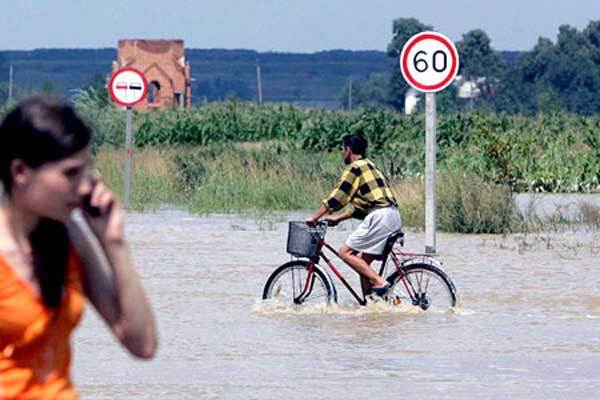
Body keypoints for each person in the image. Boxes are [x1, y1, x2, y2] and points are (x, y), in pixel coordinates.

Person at [0, 96, 157, 399]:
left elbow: (143, 344)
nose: (85, 186)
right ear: (20, 171)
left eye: (85, 172)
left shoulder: (69, 238)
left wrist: (113, 243)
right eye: (70, 173)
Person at [306, 132, 401, 298]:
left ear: (348, 150)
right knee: (363, 263)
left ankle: (380, 282)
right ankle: (370, 304)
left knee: (345, 253)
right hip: (392, 215)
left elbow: (337, 197)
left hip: (380, 216)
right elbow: (361, 205)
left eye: (343, 149)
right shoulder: (370, 165)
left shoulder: (355, 168)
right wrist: (338, 218)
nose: (343, 152)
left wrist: (315, 218)